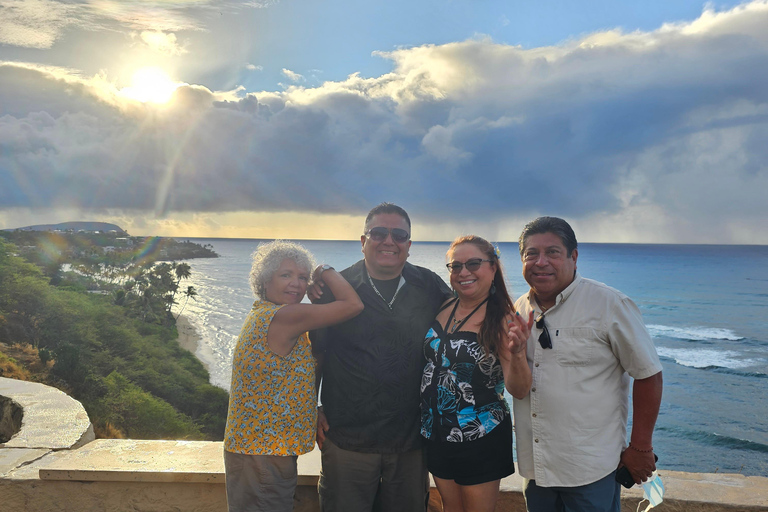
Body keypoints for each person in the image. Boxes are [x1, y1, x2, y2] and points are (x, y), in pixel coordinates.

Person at [513, 217, 663, 512]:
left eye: (553, 252)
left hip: (590, 472)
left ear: (574, 256)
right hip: (537, 469)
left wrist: (641, 447)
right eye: (531, 254)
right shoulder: (519, 309)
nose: (541, 262)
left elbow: (648, 375)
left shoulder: (609, 304)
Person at [309, 203, 453, 512]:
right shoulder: (337, 290)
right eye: (379, 233)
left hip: (411, 441)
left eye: (399, 235)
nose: (389, 241)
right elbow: (316, 353)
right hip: (347, 437)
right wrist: (310, 406)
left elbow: (467, 320)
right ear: (363, 242)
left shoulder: (430, 286)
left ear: (409, 246)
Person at [223, 240, 363, 512]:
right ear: (265, 281)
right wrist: (325, 270)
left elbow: (281, 382)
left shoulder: (262, 313)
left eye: (303, 277)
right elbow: (353, 305)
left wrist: (311, 410)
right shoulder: (285, 316)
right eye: (285, 275)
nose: (296, 284)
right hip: (264, 454)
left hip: (261, 450)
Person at [420, 235, 533, 512]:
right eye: (455, 266)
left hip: (479, 434)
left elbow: (518, 390)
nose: (464, 272)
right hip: (436, 432)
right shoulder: (447, 305)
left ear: (493, 267)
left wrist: (518, 354)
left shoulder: (503, 320)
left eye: (473, 263)